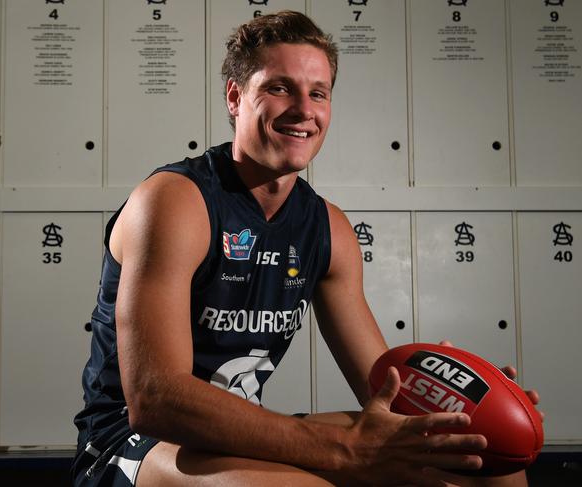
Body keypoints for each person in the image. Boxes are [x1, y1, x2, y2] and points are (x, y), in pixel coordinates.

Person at [72, 11, 539, 487]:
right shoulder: (175, 200)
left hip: (240, 435)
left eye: (318, 93)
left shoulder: (328, 228)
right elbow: (155, 399)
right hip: (134, 446)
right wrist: (344, 452)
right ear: (235, 97)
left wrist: (452, 395)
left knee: (485, 461)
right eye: (279, 88)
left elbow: (383, 393)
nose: (303, 109)